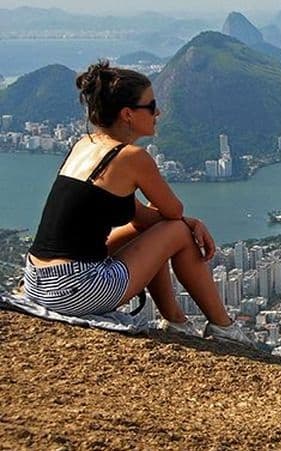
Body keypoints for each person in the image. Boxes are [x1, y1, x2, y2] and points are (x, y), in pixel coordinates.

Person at [23, 60, 252, 346]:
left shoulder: (85, 145)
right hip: (76, 289)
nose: (158, 112)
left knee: (161, 230)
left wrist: (190, 223)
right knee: (179, 232)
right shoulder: (131, 157)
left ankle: (178, 323)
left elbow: (142, 218)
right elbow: (173, 213)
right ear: (128, 114)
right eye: (151, 105)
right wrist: (190, 224)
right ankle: (223, 327)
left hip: (38, 281)